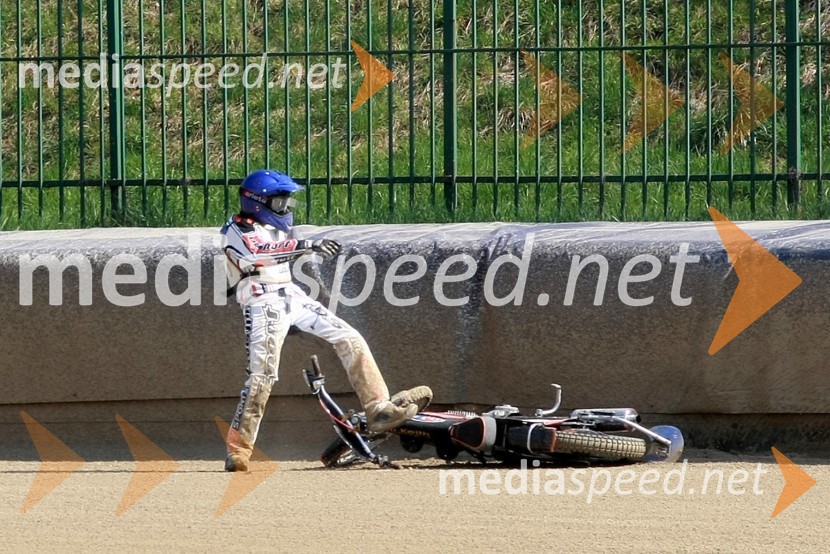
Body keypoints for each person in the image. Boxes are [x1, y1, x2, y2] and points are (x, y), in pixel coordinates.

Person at [220, 169, 424, 472]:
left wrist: (303, 246)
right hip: (262, 300)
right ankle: (239, 449)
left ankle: (378, 408)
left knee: (350, 338)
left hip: (291, 294)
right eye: (278, 202)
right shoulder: (236, 228)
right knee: (262, 377)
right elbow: (259, 253)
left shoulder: (276, 227)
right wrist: (306, 246)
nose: (285, 208)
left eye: (286, 201)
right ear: (256, 202)